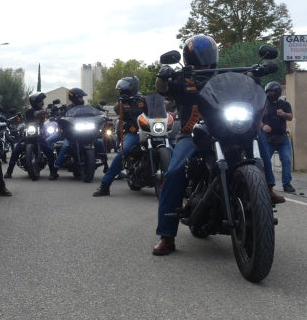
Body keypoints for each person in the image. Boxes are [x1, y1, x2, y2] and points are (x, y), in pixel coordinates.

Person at [152, 34, 218, 255]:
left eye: (208, 58)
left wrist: (255, 74)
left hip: (224, 131)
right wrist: (163, 75)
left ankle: (265, 187)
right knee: (174, 172)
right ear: (190, 59)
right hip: (191, 133)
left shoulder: (223, 76)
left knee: (255, 142)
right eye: (201, 59)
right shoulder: (182, 79)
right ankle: (167, 236)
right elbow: (163, 89)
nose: (205, 63)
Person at [92, 76, 148, 196]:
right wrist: (121, 101)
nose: (121, 93)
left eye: (122, 90)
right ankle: (105, 185)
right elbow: (117, 110)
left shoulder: (143, 99)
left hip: (150, 132)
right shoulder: (122, 102)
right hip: (134, 133)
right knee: (123, 152)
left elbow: (158, 110)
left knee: (170, 148)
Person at [47, 88, 108, 180]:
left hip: (87, 132)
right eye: (80, 97)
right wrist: (56, 115)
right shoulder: (67, 109)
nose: (82, 99)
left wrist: (99, 112)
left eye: (82, 97)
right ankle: (54, 170)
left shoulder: (87, 109)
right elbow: (60, 116)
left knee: (99, 142)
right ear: (74, 98)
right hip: (71, 134)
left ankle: (106, 166)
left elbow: (95, 115)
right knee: (64, 145)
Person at [3, 92, 57, 180]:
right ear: (35, 102)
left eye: (42, 101)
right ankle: (9, 172)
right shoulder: (29, 111)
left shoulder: (43, 112)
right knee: (16, 150)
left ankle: (53, 172)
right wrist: (43, 111)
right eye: (40, 101)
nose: (42, 103)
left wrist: (52, 113)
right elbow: (35, 114)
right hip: (28, 136)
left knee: (49, 151)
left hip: (39, 135)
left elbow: (48, 116)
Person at [261, 81, 295, 193]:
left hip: (282, 138)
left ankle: (287, 184)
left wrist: (283, 114)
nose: (270, 93)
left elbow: (290, 117)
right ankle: (266, 184)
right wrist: (263, 125)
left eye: (273, 91)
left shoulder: (284, 104)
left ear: (278, 92)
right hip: (268, 139)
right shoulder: (263, 104)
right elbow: (255, 119)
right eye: (268, 91)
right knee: (265, 161)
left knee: (286, 160)